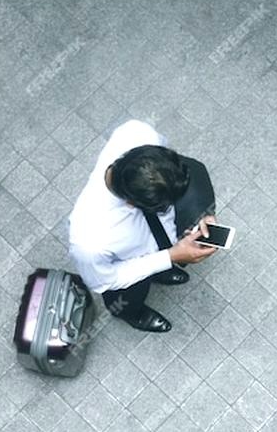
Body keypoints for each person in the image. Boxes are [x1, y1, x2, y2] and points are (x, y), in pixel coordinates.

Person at [67, 120, 218, 332]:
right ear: (134, 204)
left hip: (158, 244)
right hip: (128, 269)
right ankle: (134, 314)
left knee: (161, 257)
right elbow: (106, 280)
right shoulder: (89, 241)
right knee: (128, 298)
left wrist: (202, 214)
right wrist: (170, 257)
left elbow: (185, 170)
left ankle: (161, 271)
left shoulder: (137, 133)